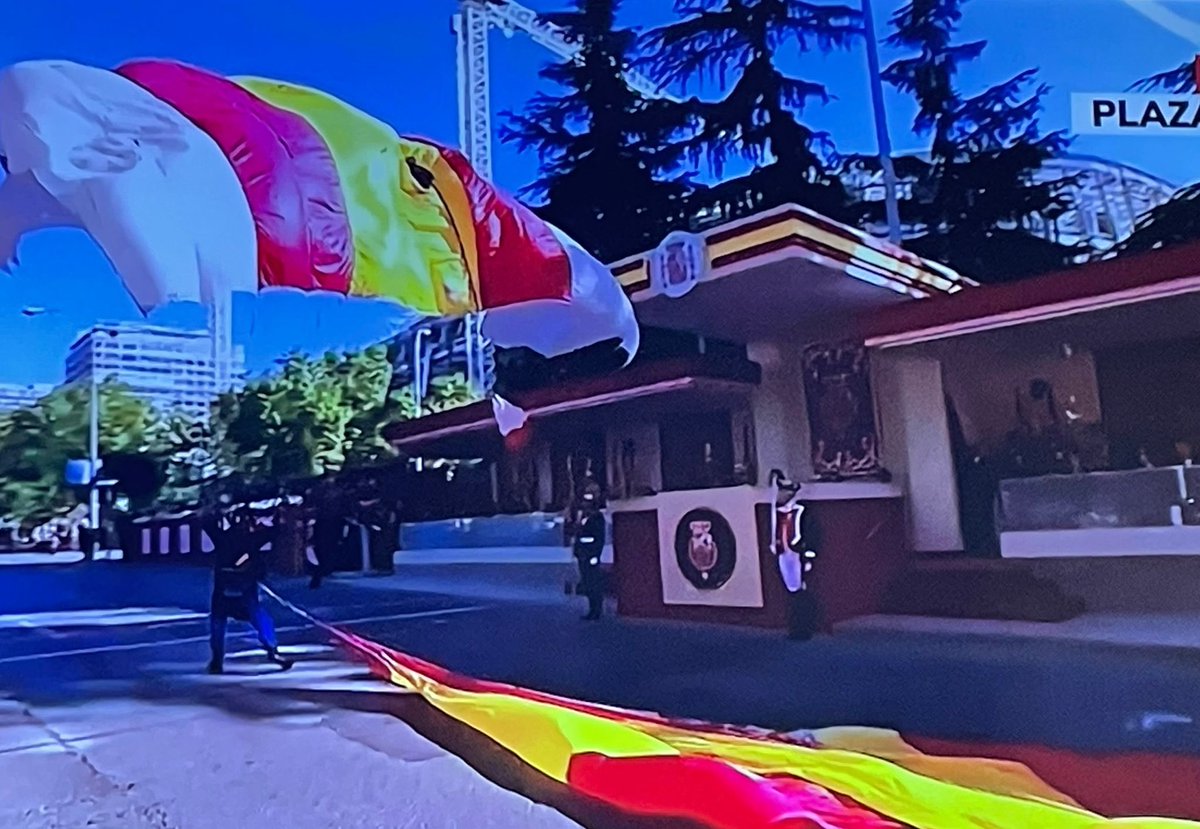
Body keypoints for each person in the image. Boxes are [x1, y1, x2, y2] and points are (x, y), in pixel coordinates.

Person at [207, 506, 293, 674]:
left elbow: (209, 525)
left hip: (225, 591)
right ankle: (272, 652)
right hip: (243, 592)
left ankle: (217, 660)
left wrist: (212, 509)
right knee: (261, 620)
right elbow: (274, 532)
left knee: (219, 625)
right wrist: (278, 514)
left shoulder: (223, 538)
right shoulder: (251, 539)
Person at [573, 487, 606, 621]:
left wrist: (594, 555)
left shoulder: (597, 517)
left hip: (590, 554)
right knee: (587, 581)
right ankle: (592, 609)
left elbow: (597, 538)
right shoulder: (584, 518)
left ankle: (596, 610)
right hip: (583, 555)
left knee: (593, 583)